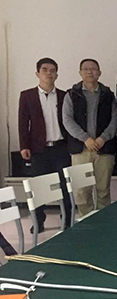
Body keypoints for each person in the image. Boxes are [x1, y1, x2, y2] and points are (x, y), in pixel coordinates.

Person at [18, 57, 72, 232]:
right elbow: (23, 123)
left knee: (65, 185)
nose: (49, 73)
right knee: (39, 188)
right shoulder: (27, 96)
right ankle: (38, 221)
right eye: (45, 70)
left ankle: (67, 219)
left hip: (61, 147)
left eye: (52, 70)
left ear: (57, 74)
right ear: (37, 73)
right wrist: (24, 146)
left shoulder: (64, 95)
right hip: (38, 149)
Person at [63, 59, 117, 216]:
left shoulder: (108, 95)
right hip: (81, 149)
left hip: (104, 148)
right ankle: (86, 222)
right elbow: (67, 120)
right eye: (86, 69)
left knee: (103, 190)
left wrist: (103, 138)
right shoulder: (72, 94)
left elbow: (115, 119)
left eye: (93, 69)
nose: (90, 72)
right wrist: (85, 139)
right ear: (80, 73)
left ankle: (104, 221)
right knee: (82, 192)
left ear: (99, 73)